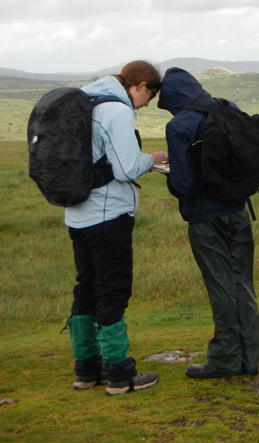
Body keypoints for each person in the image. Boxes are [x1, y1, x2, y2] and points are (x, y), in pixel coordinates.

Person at [158, 67, 259, 378]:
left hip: (206, 219)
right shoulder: (228, 110)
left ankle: (225, 360)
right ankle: (249, 358)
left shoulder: (178, 126)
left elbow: (184, 185)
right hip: (239, 210)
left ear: (172, 99)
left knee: (221, 287)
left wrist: (169, 174)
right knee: (242, 283)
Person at [65, 60, 167, 396]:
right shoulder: (117, 110)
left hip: (76, 213)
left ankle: (86, 369)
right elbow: (126, 169)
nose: (146, 104)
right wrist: (151, 159)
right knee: (112, 289)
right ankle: (120, 374)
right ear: (140, 86)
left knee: (86, 288)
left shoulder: (85, 102)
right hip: (108, 215)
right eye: (149, 96)